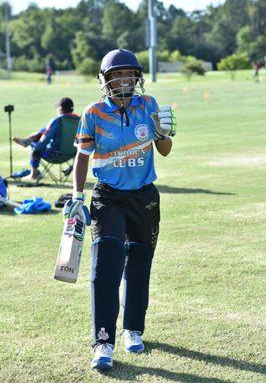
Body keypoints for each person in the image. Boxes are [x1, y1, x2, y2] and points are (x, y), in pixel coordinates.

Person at [64, 48, 176, 371]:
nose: (123, 80)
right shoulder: (94, 112)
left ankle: (132, 329)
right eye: (116, 75)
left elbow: (164, 151)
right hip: (108, 197)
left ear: (137, 78)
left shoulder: (149, 105)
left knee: (139, 267)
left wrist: (164, 134)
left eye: (129, 75)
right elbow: (82, 156)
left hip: (144, 197)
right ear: (106, 80)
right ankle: (103, 341)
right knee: (106, 267)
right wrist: (76, 195)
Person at [13, 97, 80, 182]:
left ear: (61, 109)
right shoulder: (79, 120)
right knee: (45, 131)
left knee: (36, 145)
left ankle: (33, 174)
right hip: (72, 154)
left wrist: (35, 148)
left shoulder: (58, 120)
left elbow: (45, 140)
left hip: (53, 154)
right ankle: (27, 141)